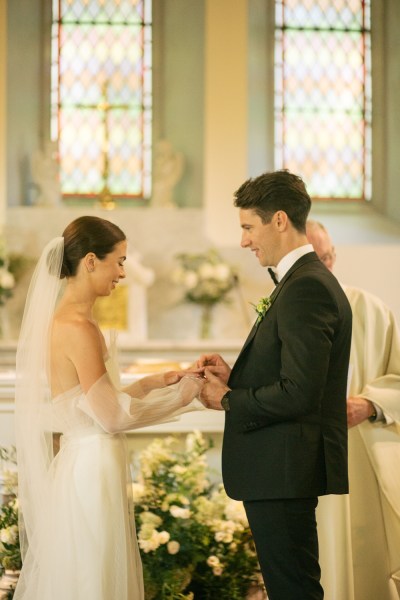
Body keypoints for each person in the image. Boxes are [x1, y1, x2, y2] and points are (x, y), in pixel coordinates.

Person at [14, 216, 204, 600]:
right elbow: (112, 416)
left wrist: (156, 382)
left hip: (85, 458)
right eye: (117, 261)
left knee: (87, 572)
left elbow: (89, 404)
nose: (122, 273)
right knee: (93, 578)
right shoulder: (78, 327)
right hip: (92, 466)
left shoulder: (69, 321)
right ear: (89, 261)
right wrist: (185, 397)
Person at [197, 170, 352, 600]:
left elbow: (300, 391)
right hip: (280, 467)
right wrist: (237, 376)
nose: (244, 240)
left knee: (294, 590)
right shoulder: (300, 281)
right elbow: (291, 374)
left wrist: (228, 398)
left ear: (279, 220)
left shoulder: (307, 287)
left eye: (248, 227)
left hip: (283, 468)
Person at [306, 219, 400, 600]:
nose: (323, 269)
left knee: (362, 560)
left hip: (359, 455)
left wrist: (371, 403)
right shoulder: (276, 311)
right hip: (302, 458)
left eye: (326, 258)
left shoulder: (372, 310)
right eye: (313, 261)